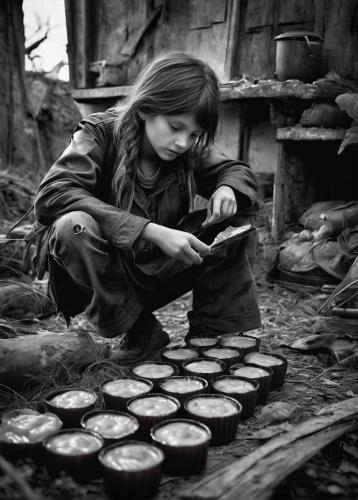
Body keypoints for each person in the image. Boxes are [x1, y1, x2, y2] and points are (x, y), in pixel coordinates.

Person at [30, 51, 263, 365]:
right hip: (102, 281)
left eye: (193, 134)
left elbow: (236, 171)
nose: (182, 142)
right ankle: (141, 331)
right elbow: (52, 194)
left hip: (155, 270)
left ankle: (214, 337)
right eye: (175, 127)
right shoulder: (98, 134)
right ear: (145, 107)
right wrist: (151, 232)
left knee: (238, 216)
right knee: (73, 224)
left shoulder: (187, 151)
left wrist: (226, 187)